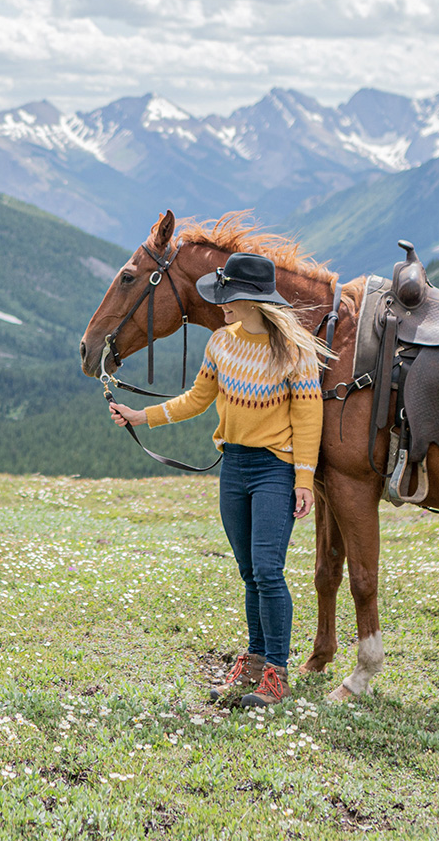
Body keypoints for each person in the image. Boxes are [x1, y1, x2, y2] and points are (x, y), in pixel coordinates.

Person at [109, 251, 325, 707]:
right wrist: (140, 416)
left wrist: (303, 479)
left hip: (275, 469)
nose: (220, 305)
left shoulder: (296, 350)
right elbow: (196, 399)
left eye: (229, 298)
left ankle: (276, 675)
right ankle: (254, 662)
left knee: (268, 570)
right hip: (234, 467)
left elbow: (309, 418)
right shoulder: (222, 343)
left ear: (253, 301)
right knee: (250, 572)